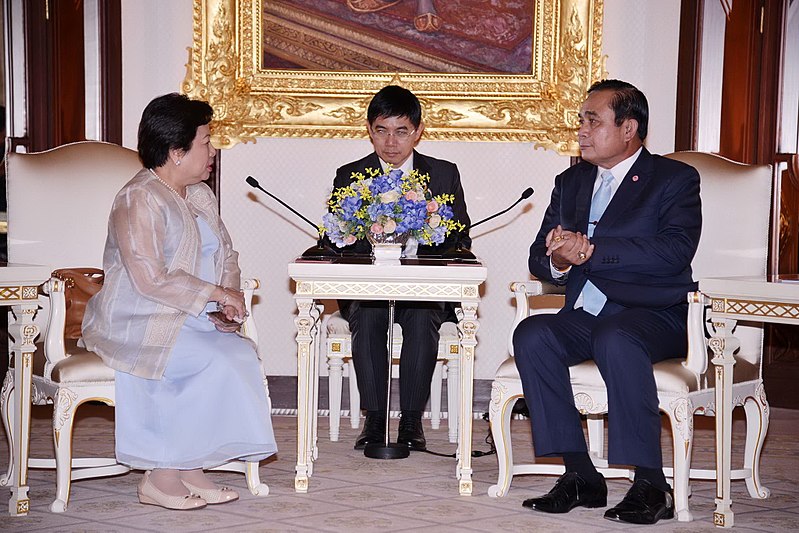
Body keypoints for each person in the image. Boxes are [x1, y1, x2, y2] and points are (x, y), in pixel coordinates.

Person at [513, 79, 701, 525]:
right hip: (589, 313)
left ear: (629, 128)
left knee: (618, 337)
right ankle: (581, 475)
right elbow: (540, 256)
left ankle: (652, 484)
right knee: (533, 333)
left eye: (592, 120)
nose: (581, 129)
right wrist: (559, 261)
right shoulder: (571, 180)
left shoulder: (672, 179)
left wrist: (593, 250)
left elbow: (674, 251)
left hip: (658, 314)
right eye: (581, 119)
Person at [82, 93, 277, 511]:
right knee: (213, 360)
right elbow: (149, 278)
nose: (213, 150)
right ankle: (160, 477)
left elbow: (227, 255)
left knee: (238, 355)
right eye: (206, 141)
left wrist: (228, 298)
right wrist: (213, 294)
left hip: (192, 316)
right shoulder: (139, 198)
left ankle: (190, 466)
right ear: (176, 151)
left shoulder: (199, 194)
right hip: (140, 318)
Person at [329, 85, 470, 451]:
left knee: (423, 318)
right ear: (369, 129)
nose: (391, 142)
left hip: (422, 289)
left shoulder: (442, 175)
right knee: (371, 316)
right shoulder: (350, 175)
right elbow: (336, 237)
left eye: (401, 131)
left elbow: (461, 236)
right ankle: (375, 421)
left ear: (418, 131)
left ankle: (410, 422)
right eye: (382, 130)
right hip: (368, 289)